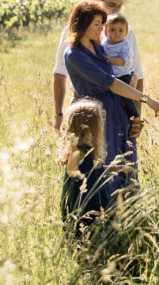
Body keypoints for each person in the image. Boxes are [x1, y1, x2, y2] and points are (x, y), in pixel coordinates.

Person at [63, 0, 159, 196]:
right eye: (97, 24)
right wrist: (147, 100)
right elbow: (111, 82)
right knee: (95, 168)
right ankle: (93, 219)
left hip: (115, 115)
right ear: (83, 23)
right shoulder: (74, 55)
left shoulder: (99, 47)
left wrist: (131, 76)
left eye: (101, 24)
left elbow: (120, 72)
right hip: (92, 119)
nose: (101, 29)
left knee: (122, 164)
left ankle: (124, 217)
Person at [53, 0, 144, 133]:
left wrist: (136, 118)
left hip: (119, 108)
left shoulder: (127, 32)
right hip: (85, 107)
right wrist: (58, 114)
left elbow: (137, 75)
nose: (115, 11)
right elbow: (60, 73)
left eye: (119, 6)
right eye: (111, 5)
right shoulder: (73, 32)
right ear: (96, 0)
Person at [57, 99, 112, 238]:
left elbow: (94, 170)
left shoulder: (89, 149)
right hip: (82, 202)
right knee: (82, 234)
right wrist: (74, 147)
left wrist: (115, 168)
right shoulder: (79, 150)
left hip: (93, 200)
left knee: (96, 233)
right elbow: (71, 170)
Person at [101, 13, 140, 121]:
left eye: (120, 30)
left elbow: (122, 61)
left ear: (126, 33)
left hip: (123, 75)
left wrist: (108, 59)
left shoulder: (125, 45)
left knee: (125, 96)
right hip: (111, 76)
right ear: (105, 32)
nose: (116, 33)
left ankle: (135, 116)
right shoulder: (104, 43)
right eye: (112, 30)